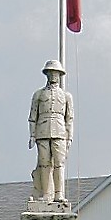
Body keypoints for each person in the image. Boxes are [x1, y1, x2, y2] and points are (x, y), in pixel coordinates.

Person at [28, 60, 74, 203]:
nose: (53, 76)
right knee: (44, 163)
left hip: (60, 132)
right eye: (50, 73)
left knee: (59, 163)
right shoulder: (38, 94)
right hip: (42, 132)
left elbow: (69, 118)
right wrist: (32, 135)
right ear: (46, 74)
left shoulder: (66, 96)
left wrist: (69, 137)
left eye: (56, 73)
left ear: (60, 75)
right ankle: (46, 193)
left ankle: (58, 193)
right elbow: (32, 117)